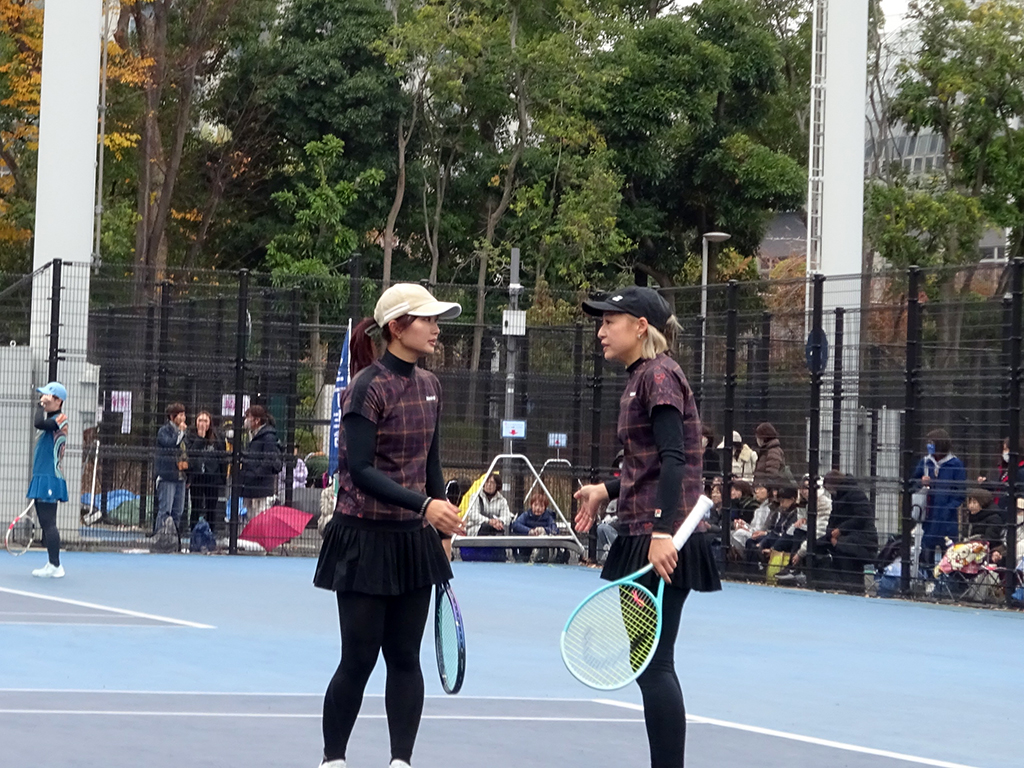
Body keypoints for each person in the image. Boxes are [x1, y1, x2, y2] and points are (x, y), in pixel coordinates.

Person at [313, 282, 466, 768]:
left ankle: (401, 761)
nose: (436, 329)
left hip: (412, 543)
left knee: (404, 658)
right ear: (397, 328)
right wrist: (426, 508)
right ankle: (333, 759)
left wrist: (442, 529)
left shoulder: (432, 386)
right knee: (358, 659)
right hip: (362, 540)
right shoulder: (366, 388)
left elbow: (431, 463)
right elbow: (359, 469)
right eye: (427, 320)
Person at [573, 285, 720, 768]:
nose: (601, 331)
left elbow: (675, 458)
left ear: (640, 327)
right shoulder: (642, 377)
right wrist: (607, 490)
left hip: (661, 537)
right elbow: (652, 463)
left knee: (655, 665)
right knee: (648, 664)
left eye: (608, 322)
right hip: (643, 531)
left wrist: (661, 533)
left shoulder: (659, 375)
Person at [27, 382, 69, 578]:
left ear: (58, 401)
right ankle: (52, 562)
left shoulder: (60, 419)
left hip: (50, 477)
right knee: (45, 523)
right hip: (42, 475)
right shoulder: (51, 419)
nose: (43, 398)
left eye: (47, 396)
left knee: (49, 522)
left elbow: (38, 422)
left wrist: (39, 406)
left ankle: (56, 565)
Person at [912, 429, 966, 567]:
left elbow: (960, 493)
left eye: (932, 443)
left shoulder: (955, 464)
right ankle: (926, 576)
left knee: (948, 557)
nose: (929, 446)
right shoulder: (925, 462)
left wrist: (948, 509)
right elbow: (911, 483)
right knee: (926, 554)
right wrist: (920, 482)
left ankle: (945, 579)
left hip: (947, 520)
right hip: (928, 517)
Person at [817, 472, 878, 588]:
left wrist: (841, 530)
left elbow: (863, 516)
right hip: (846, 536)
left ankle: (850, 586)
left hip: (862, 539)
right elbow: (833, 518)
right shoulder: (838, 496)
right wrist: (830, 534)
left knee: (844, 551)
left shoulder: (855, 493)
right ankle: (831, 582)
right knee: (818, 545)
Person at [185, 410, 228, 532]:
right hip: (197, 477)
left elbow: (222, 458)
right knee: (196, 505)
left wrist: (223, 477)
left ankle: (210, 531)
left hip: (212, 477)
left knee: (211, 507)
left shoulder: (218, 436)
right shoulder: (190, 435)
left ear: (210, 422)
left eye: (205, 420)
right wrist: (200, 437)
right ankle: (194, 531)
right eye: (200, 420)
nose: (203, 423)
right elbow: (191, 454)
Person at [238, 404, 282, 518]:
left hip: (261, 486)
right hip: (250, 485)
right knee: (250, 517)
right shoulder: (252, 435)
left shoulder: (268, 437)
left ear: (257, 420)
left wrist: (256, 473)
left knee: (260, 517)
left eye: (248, 417)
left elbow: (269, 459)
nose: (246, 420)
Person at [154, 402, 189, 542]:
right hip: (167, 476)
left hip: (181, 476)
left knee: (178, 511)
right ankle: (160, 538)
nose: (183, 417)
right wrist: (180, 433)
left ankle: (174, 540)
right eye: (180, 415)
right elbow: (170, 445)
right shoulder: (164, 431)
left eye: (184, 414)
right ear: (172, 416)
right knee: (165, 510)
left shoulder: (186, 432)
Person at [511, 487, 560, 563]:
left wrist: (544, 530)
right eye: (535, 505)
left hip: (543, 546)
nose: (538, 508)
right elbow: (515, 525)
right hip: (526, 545)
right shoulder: (526, 515)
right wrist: (529, 531)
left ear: (545, 508)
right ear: (531, 505)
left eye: (541, 506)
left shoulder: (548, 517)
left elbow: (555, 529)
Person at [701, 425, 721, 493]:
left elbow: (716, 473)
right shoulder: (691, 454)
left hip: (709, 488)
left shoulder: (714, 456)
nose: (701, 438)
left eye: (704, 436)